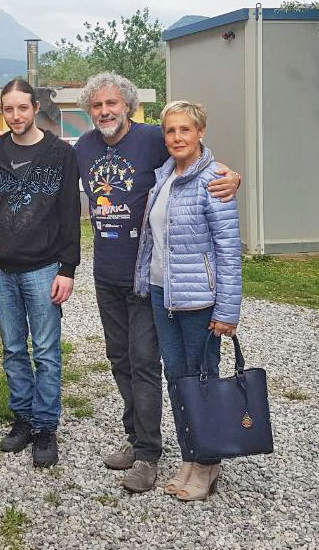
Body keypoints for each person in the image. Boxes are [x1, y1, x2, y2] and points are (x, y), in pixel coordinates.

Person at [74, 72, 241, 493]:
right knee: (120, 360)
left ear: (127, 105)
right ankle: (139, 439)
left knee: (146, 363)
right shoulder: (84, 147)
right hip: (108, 274)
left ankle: (150, 454)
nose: (105, 111)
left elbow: (196, 154)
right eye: (96, 106)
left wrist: (231, 176)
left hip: (146, 282)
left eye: (112, 103)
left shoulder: (152, 138)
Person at [134, 101, 241, 501]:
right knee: (177, 380)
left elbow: (228, 250)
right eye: (170, 131)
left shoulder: (215, 180)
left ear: (200, 133)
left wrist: (228, 310)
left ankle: (208, 463)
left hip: (200, 301)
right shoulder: (165, 177)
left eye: (185, 130)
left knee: (203, 380)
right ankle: (190, 455)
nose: (177, 137)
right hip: (164, 295)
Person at [0, 80, 80, 467]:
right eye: (8, 109)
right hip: (2, 267)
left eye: (22, 108)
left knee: (48, 351)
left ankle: (45, 427)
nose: (16, 116)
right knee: (13, 349)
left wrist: (67, 268)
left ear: (35, 107)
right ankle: (21, 418)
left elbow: (70, 213)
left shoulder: (59, 154)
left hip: (43, 268)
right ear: (1, 112)